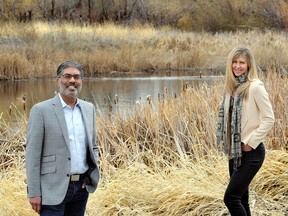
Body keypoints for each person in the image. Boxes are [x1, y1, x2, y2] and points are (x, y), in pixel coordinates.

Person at [26, 61, 100, 216]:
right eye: (67, 76)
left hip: (81, 189)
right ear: (58, 80)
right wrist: (34, 192)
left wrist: (89, 177)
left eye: (76, 77)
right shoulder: (41, 110)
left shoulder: (89, 109)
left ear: (82, 81)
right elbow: (32, 155)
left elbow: (92, 146)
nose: (72, 80)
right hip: (51, 190)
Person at [216, 46, 274, 216]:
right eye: (235, 62)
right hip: (235, 152)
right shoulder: (231, 88)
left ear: (249, 65)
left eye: (242, 62)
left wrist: (250, 142)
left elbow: (269, 118)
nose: (238, 66)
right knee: (241, 199)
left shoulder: (255, 87)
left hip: (251, 152)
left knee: (231, 198)